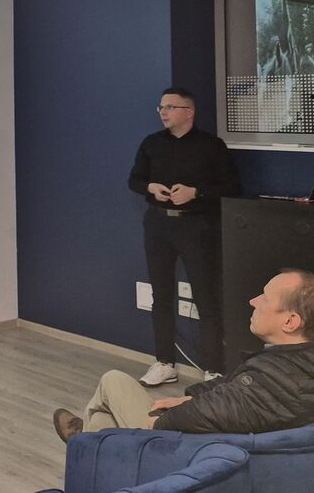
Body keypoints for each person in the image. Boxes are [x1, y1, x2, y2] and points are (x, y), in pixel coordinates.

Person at [53, 268, 314, 441]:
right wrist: (188, 397)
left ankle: (86, 445)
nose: (253, 301)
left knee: (111, 384)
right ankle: (89, 444)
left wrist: (159, 422)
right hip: (207, 442)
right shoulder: (292, 362)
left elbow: (219, 408)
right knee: (103, 418)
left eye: (265, 298)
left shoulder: (276, 381)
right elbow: (228, 389)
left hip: (187, 453)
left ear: (290, 322)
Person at [128, 87, 241, 386]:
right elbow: (134, 179)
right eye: (161, 107)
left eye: (170, 107)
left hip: (197, 226)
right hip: (158, 226)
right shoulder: (151, 144)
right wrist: (151, 188)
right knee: (161, 294)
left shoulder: (211, 146)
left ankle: (213, 368)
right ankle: (165, 362)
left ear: (188, 112)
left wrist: (196, 193)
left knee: (206, 295)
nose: (163, 112)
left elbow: (231, 186)